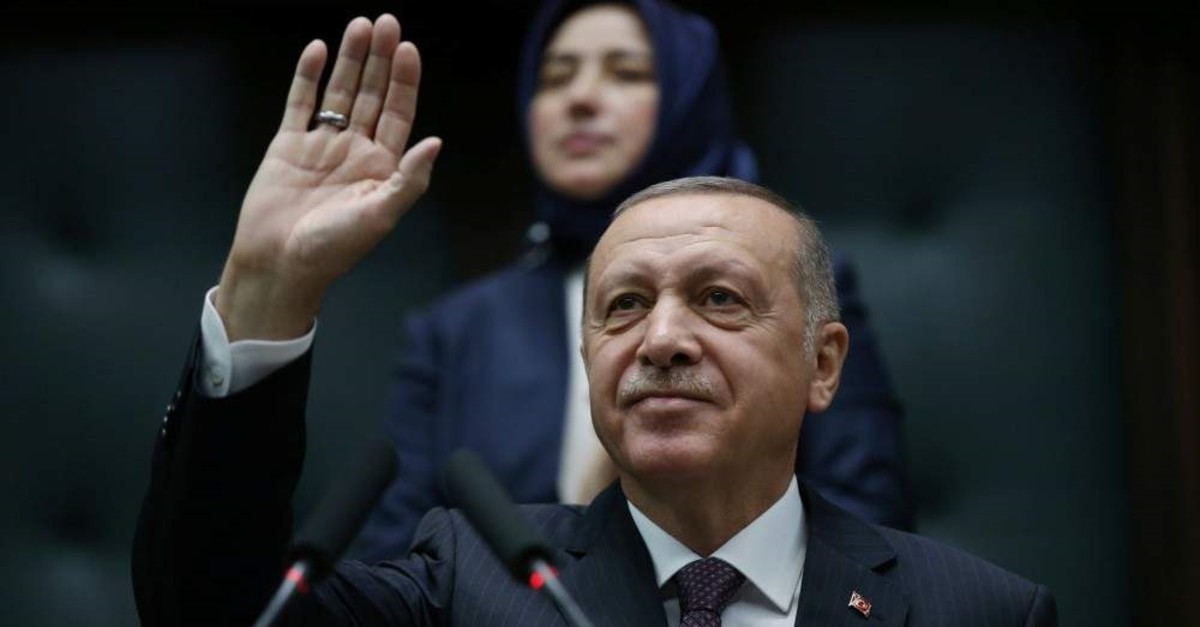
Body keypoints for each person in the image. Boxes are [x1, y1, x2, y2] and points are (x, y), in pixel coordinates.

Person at [133, 15, 1055, 625]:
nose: (660, 340)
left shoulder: (981, 611)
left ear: (824, 364)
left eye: (719, 298)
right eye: (622, 306)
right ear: (588, 349)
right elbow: (210, 605)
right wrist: (265, 290)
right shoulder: (465, 578)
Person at [356, 0, 912, 561]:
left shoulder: (798, 278)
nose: (579, 99)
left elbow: (867, 515)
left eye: (625, 73)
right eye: (555, 79)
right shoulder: (459, 326)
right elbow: (391, 557)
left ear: (687, 95)